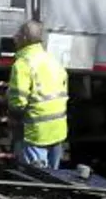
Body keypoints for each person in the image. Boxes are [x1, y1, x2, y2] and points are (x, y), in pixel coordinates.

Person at [6, 19, 69, 170]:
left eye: (18, 34)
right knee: (54, 178)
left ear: (25, 38)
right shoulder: (53, 61)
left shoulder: (23, 64)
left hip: (35, 131)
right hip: (58, 130)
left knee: (36, 179)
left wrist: (13, 116)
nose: (14, 37)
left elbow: (18, 102)